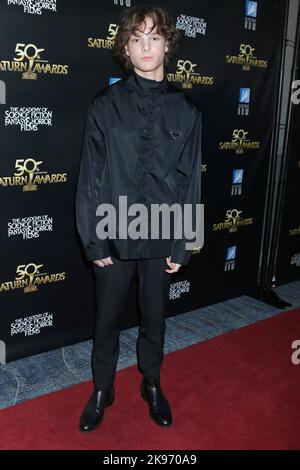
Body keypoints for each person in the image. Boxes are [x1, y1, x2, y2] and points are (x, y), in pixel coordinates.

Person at [75, 4, 202, 432]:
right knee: (106, 318)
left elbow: (189, 182)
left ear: (168, 44)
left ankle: (151, 383)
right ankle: (101, 388)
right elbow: (90, 179)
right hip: (113, 230)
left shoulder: (187, 110)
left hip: (163, 233)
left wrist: (183, 243)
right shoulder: (104, 106)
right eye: (136, 39)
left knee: (155, 318)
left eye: (153, 37)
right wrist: (94, 241)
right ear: (125, 49)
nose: (145, 46)